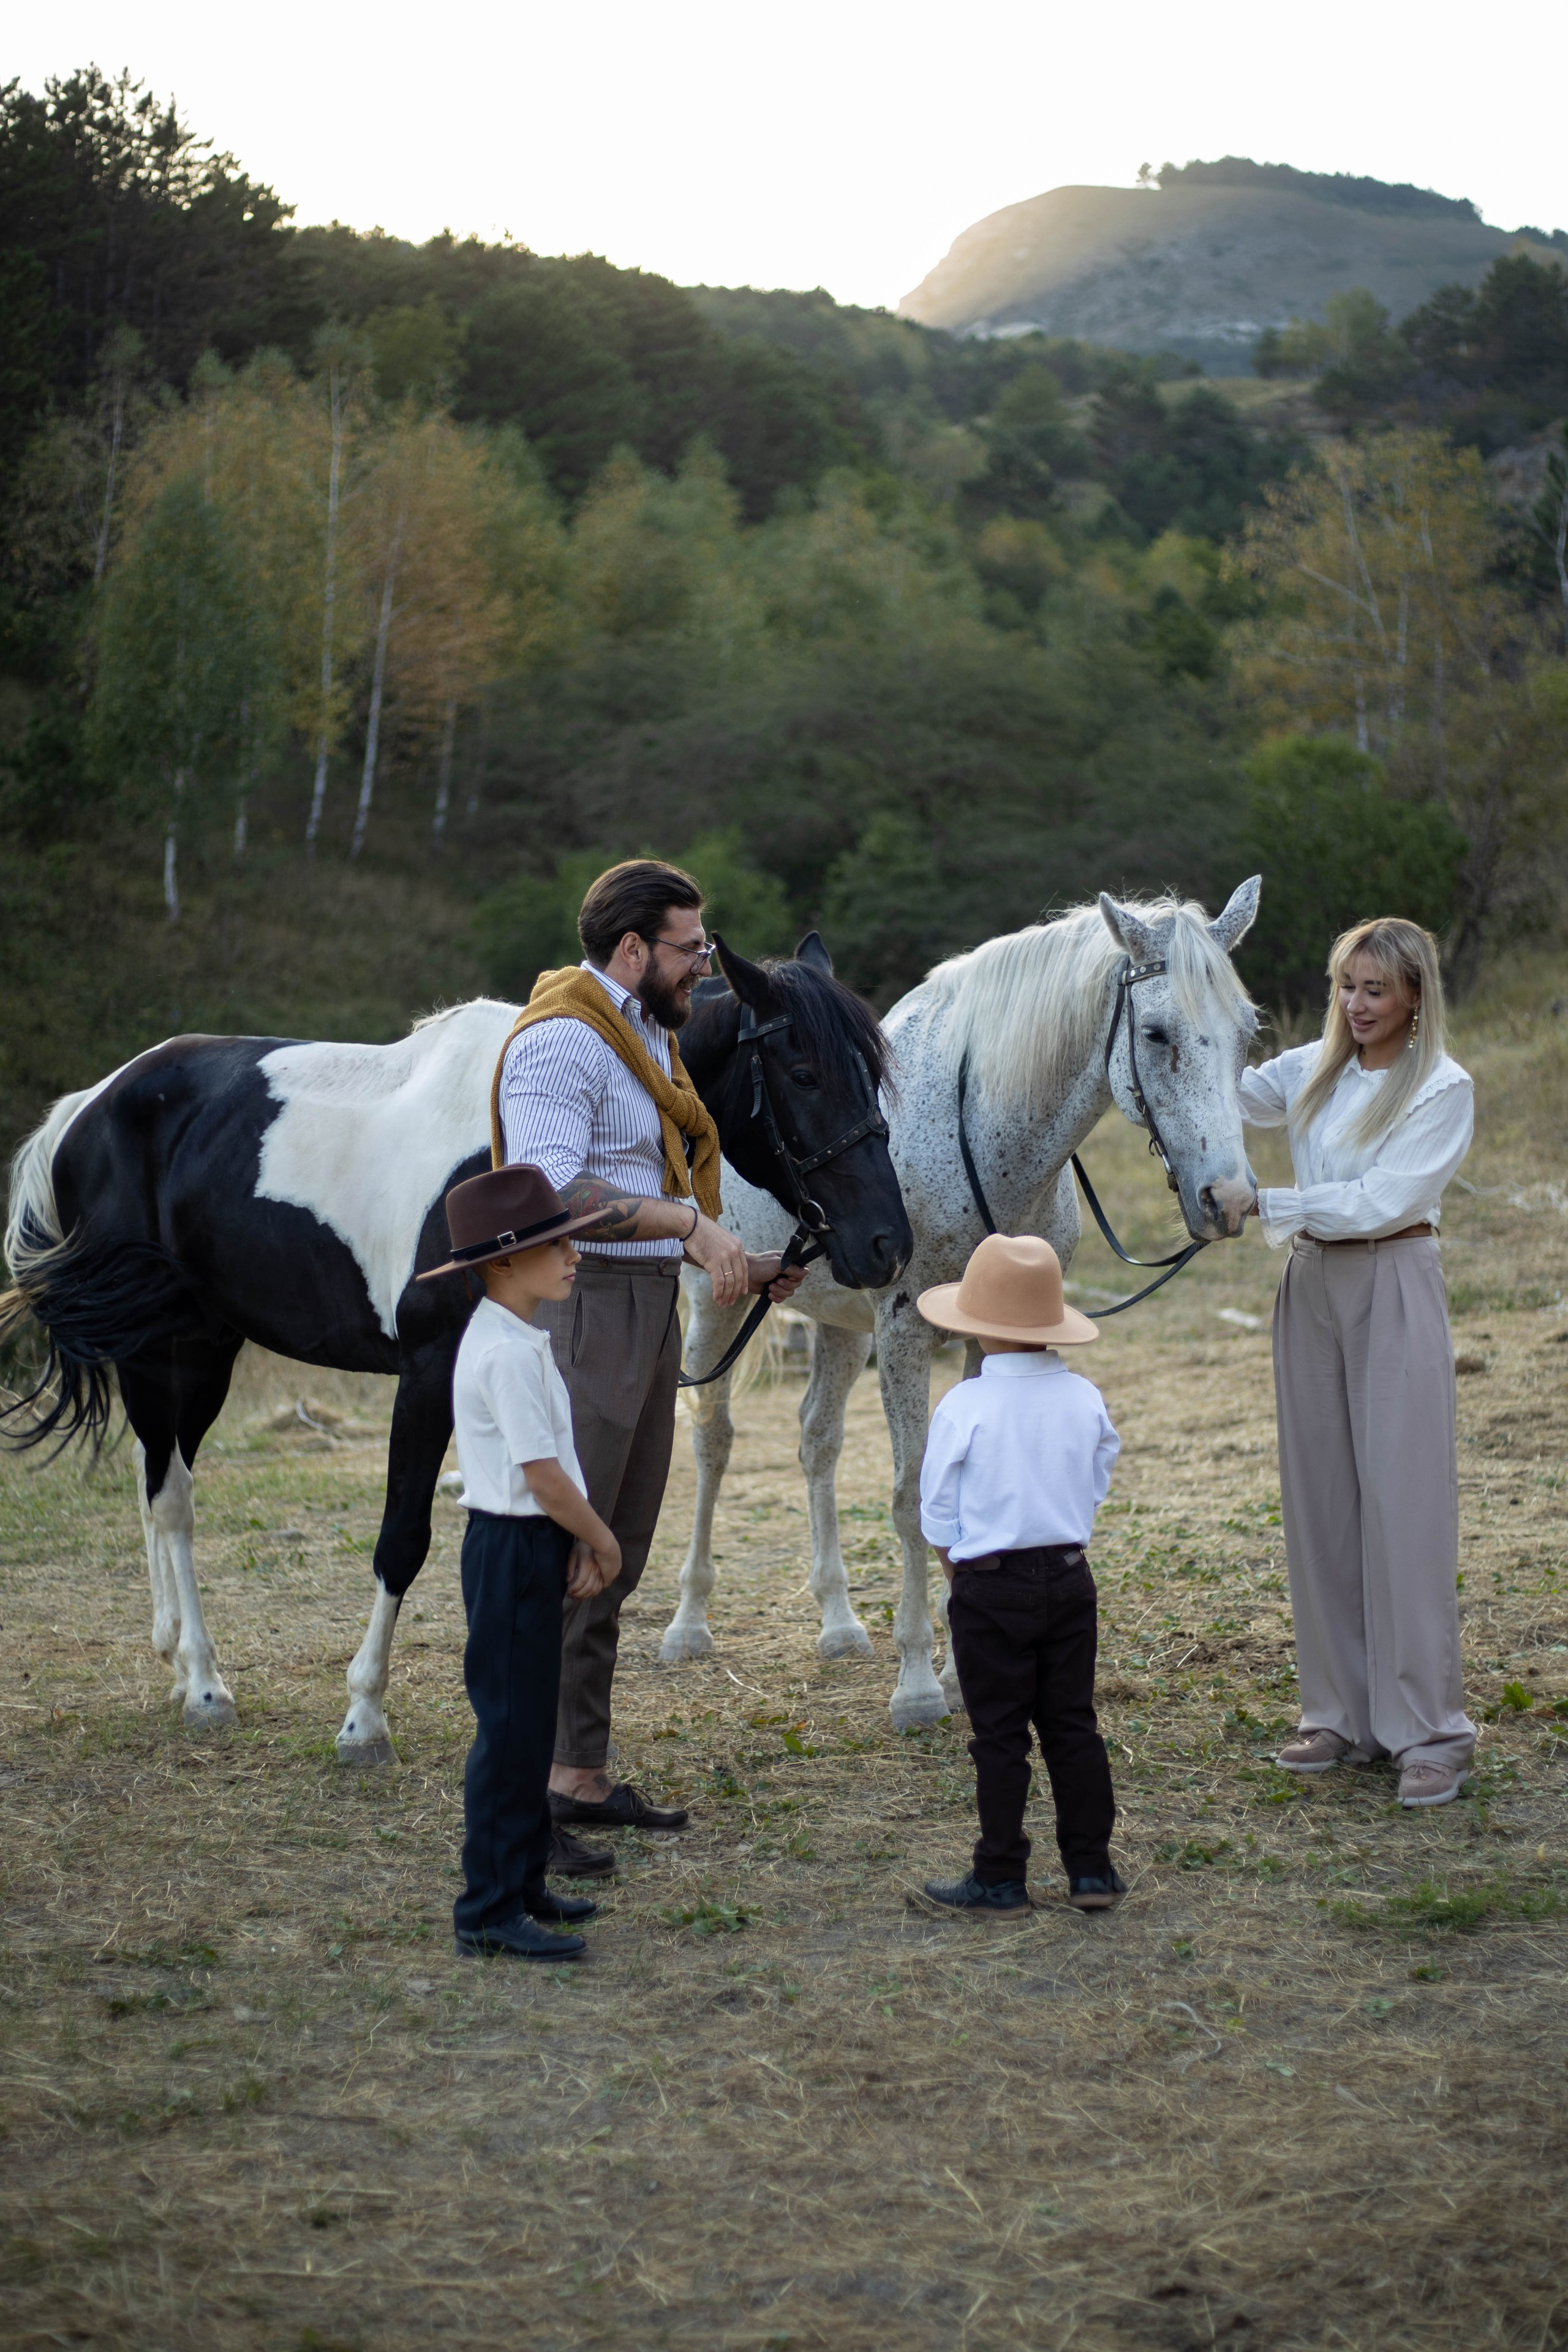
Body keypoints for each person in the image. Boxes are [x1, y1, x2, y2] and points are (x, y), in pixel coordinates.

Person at [492, 859, 803, 1875]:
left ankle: (577, 1774)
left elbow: (636, 1181)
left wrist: (738, 1261)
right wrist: (687, 1225)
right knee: (559, 1552)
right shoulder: (561, 1043)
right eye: (689, 947)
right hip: (580, 1311)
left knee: (613, 1549)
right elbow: (549, 1193)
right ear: (633, 949)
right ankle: (522, 1806)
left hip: (642, 1306)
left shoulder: (648, 1036)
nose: (704, 965)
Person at [1240, 918, 1477, 1809]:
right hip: (1310, 1286)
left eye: (1376, 989)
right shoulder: (1313, 1067)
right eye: (1347, 986)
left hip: (1394, 1276)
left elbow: (1383, 1201)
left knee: (1403, 1504)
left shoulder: (1441, 1087)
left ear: (1416, 995)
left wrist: (1265, 1200)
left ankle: (1431, 1732)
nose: (1357, 1005)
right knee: (1322, 1503)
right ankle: (1340, 1712)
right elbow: (1222, 1090)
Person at [419, 1165, 621, 1959]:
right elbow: (541, 1473)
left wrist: (568, 1537)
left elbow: (548, 1467)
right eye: (554, 1243)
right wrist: (600, 1538)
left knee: (532, 1721)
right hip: (509, 1546)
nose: (573, 1253)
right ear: (503, 1262)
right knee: (507, 1733)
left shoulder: (516, 1338)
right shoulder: (502, 1354)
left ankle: (525, 1879)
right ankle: (488, 1910)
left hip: (532, 1540)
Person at [914, 1234, 1126, 1915]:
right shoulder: (1084, 1398)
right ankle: (1091, 1869)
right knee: (1073, 1724)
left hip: (987, 1584)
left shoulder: (963, 1407)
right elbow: (1096, 1478)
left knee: (999, 1736)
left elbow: (937, 1514)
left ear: (976, 1328)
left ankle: (1001, 1874)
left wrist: (958, 1579)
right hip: (1069, 1577)